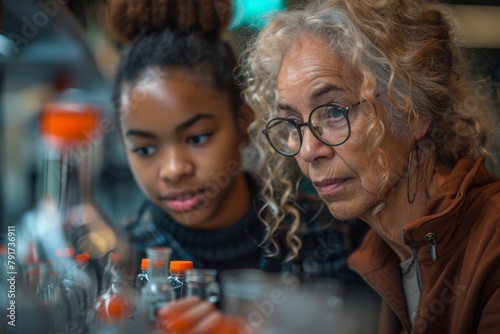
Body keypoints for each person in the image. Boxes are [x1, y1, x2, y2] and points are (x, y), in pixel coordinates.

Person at [160, 0, 500, 333]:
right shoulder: (378, 252)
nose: (308, 151)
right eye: (291, 122)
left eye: (335, 112)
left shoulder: (491, 238)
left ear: (412, 111)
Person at [106, 0, 367, 293]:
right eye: (144, 149)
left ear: (244, 122)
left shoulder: (338, 235)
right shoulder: (114, 263)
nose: (174, 170)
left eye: (196, 138)